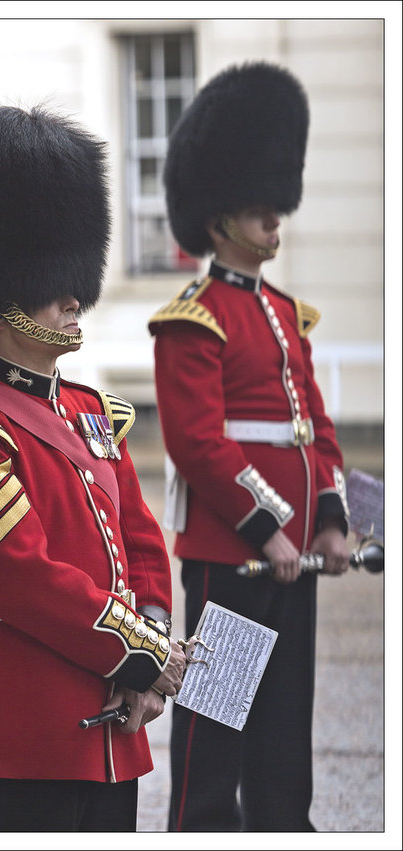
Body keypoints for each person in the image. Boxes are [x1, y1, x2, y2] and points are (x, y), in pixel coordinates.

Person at [0, 104, 188, 832]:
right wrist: (142, 654)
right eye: (50, 281)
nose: (73, 297)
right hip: (23, 725)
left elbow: (141, 542)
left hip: (114, 718)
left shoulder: (95, 412)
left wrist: (147, 659)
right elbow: (25, 580)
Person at [148, 62, 351, 832]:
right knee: (216, 731)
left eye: (277, 209)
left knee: (282, 736)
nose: (275, 223)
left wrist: (329, 517)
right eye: (261, 210)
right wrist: (268, 528)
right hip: (232, 558)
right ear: (218, 216)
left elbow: (317, 428)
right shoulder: (193, 318)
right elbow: (199, 444)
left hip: (291, 555)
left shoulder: (284, 314)